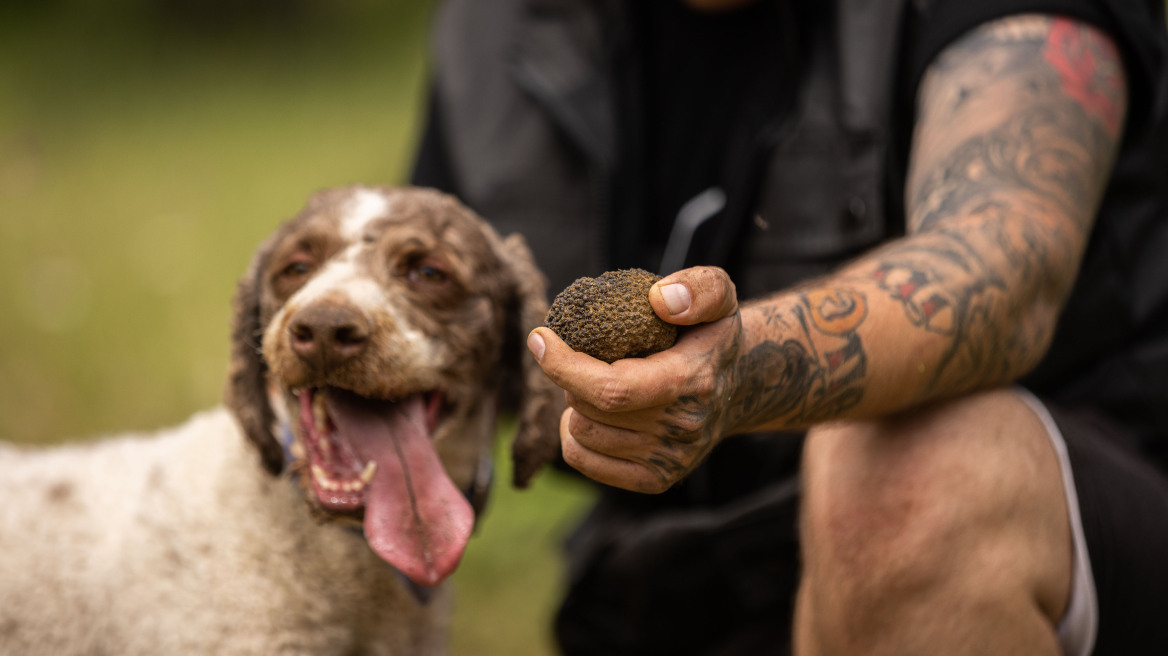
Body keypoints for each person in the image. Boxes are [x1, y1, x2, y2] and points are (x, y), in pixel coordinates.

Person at [411, 0, 1168, 653]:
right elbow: (429, 327)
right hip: (693, 580)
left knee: (911, 476)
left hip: (1078, 526)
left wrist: (741, 366)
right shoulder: (497, 28)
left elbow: (1006, 269)